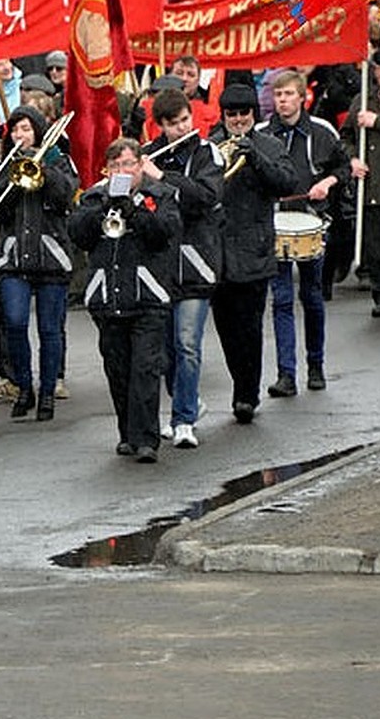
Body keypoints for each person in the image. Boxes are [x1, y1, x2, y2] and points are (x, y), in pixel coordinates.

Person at [68, 137, 181, 463]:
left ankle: (147, 439)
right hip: (108, 295)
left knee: (146, 368)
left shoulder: (160, 195)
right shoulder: (94, 197)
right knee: (118, 369)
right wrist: (104, 207)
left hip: (148, 296)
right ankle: (127, 433)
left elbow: (164, 233)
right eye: (115, 166)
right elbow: (78, 234)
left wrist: (135, 211)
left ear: (140, 165)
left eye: (128, 164)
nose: (122, 171)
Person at [208, 83, 297, 423]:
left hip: (255, 248)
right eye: (232, 114)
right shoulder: (211, 147)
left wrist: (254, 158)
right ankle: (240, 381)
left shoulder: (269, 145)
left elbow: (287, 183)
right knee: (226, 328)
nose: (238, 120)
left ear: (253, 114)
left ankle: (246, 392)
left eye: (244, 113)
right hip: (219, 250)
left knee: (250, 326)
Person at [142, 88, 224, 448]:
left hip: (196, 262)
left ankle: (184, 420)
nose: (182, 127)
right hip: (159, 265)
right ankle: (186, 402)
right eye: (174, 124)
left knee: (187, 343)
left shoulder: (208, 153)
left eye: (185, 120)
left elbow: (205, 197)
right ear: (160, 125)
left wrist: (161, 178)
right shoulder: (148, 155)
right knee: (165, 350)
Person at [0, 106, 78, 423]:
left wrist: (43, 171)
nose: (20, 135)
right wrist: (15, 179)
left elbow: (67, 196)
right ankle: (23, 386)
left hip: (51, 256)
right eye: (15, 130)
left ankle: (48, 391)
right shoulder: (4, 166)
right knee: (14, 322)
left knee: (50, 330)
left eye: (26, 129)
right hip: (14, 259)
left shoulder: (59, 161)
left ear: (37, 130)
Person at [259, 69, 347, 396]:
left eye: (288, 95)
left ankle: (315, 364)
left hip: (311, 222)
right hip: (276, 223)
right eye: (277, 95)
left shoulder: (322, 132)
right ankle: (286, 373)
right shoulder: (262, 133)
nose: (282, 101)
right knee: (281, 299)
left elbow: (343, 168)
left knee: (311, 297)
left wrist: (326, 183)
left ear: (301, 97)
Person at [343, 43, 380, 318]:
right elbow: (345, 137)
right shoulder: (363, 99)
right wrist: (353, 159)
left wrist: (377, 122)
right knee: (379, 250)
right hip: (374, 189)